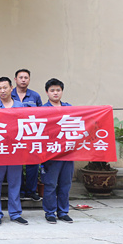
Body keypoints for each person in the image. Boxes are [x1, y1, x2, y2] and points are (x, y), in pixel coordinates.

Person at [0, 77, 28, 226]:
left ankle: (15, 213)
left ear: (11, 88)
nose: (2, 91)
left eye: (5, 87)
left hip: (15, 151)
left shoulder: (20, 106)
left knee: (15, 183)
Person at [41, 78, 74, 224]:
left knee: (65, 185)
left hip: (67, 153)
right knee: (50, 184)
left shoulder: (69, 108)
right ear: (47, 92)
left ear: (62, 92)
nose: (55, 93)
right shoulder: (42, 110)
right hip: (51, 154)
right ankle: (50, 212)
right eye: (52, 90)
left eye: (58, 90)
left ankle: (63, 212)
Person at [12, 69, 43, 201]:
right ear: (15, 79)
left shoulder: (35, 96)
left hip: (31, 134)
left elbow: (42, 114)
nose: (23, 80)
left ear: (29, 80)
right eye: (21, 77)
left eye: (26, 77)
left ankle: (31, 190)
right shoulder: (9, 94)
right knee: (16, 164)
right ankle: (19, 190)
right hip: (14, 134)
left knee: (33, 164)